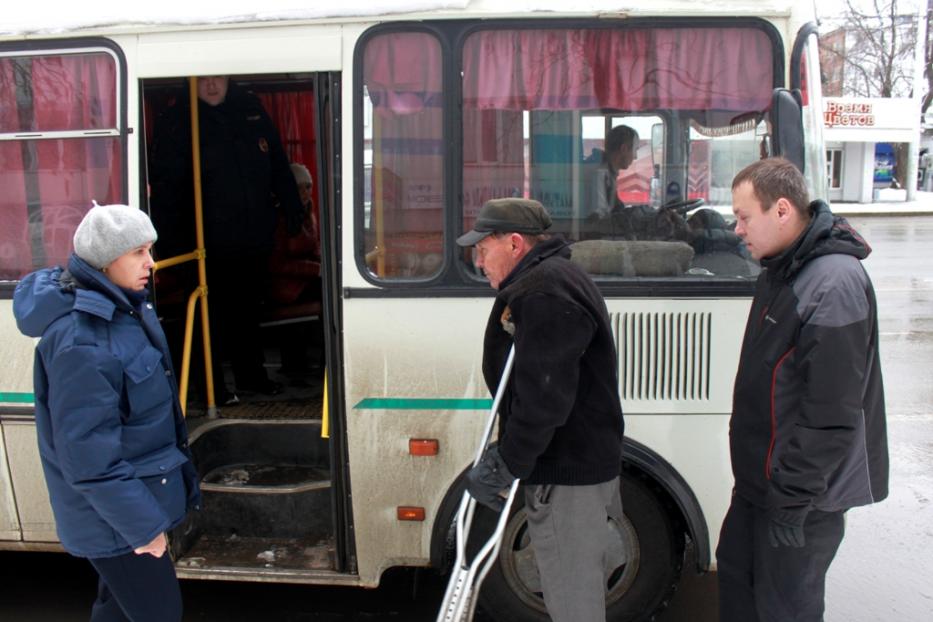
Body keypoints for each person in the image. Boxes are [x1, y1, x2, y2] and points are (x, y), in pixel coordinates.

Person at [718, 158, 889, 622]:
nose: (736, 229)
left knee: (784, 609)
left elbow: (832, 411)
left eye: (743, 216)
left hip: (800, 499)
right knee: (739, 593)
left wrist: (793, 498)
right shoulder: (782, 268)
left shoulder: (832, 282)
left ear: (782, 210)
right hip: (761, 487)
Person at [13, 203, 201, 622]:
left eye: (150, 250)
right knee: (158, 613)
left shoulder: (124, 312)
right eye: (138, 252)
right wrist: (144, 528)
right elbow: (88, 460)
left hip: (125, 514)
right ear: (105, 260)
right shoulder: (83, 340)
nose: (151, 263)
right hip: (118, 523)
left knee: (117, 608)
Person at [456, 198, 625, 622]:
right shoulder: (549, 280)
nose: (478, 263)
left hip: (568, 476)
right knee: (572, 592)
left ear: (514, 243)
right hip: (574, 466)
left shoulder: (544, 291)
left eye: (482, 250)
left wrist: (509, 460)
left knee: (573, 602)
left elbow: (545, 395)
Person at [148, 75, 304, 403]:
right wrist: (174, 246)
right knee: (210, 318)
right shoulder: (177, 122)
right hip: (204, 245)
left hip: (252, 237)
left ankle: (253, 376)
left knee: (248, 313)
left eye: (217, 78)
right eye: (203, 80)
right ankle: (211, 389)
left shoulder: (252, 111)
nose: (212, 86)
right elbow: (166, 192)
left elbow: (277, 163)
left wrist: (292, 208)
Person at [588, 124, 638, 219]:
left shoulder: (609, 172)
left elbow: (616, 208)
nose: (635, 157)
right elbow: (599, 218)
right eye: (635, 150)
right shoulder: (601, 174)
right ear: (624, 149)